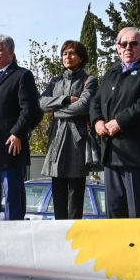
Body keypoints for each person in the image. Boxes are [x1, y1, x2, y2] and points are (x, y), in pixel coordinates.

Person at [89, 27, 140, 218]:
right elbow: (96, 100)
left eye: (134, 43)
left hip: (137, 154)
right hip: (111, 153)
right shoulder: (112, 72)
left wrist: (119, 122)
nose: (128, 47)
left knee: (139, 215)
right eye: (123, 43)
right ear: (117, 48)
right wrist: (97, 121)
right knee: (115, 213)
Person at [0, 34, 41, 220]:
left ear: (11, 52)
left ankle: (15, 233)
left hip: (12, 145)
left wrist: (18, 133)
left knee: (13, 195)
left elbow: (30, 108)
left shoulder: (22, 75)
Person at [39, 40, 98, 220]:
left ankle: (74, 233)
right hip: (56, 137)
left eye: (72, 53)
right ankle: (59, 232)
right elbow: (41, 103)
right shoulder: (55, 81)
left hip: (76, 139)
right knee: (57, 187)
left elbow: (83, 105)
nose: (67, 57)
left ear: (81, 58)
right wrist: (65, 99)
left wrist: (56, 110)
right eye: (65, 54)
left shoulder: (89, 80)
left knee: (75, 190)